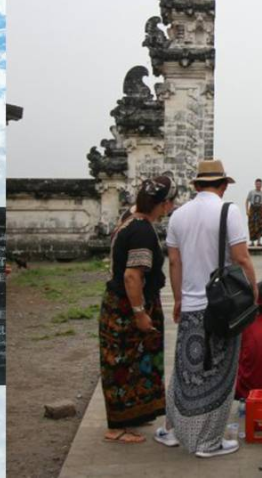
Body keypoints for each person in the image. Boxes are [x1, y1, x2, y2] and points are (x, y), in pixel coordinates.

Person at [155, 159, 256, 457]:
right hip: (221, 307)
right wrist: (252, 294)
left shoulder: (177, 215)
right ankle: (208, 442)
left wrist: (178, 299)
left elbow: (174, 262)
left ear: (197, 185)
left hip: (190, 304)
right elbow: (241, 258)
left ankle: (172, 431)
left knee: (186, 369)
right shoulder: (229, 211)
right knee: (219, 371)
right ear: (223, 184)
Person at [99, 175, 175, 444]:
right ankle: (118, 426)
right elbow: (132, 276)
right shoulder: (141, 230)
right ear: (164, 204)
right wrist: (140, 313)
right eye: (171, 202)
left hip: (119, 303)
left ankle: (133, 415)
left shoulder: (130, 219)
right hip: (127, 307)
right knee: (125, 363)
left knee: (133, 362)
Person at [246, 178, 262, 246]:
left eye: (260, 184)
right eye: (257, 184)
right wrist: (247, 210)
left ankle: (258, 242)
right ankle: (252, 242)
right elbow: (247, 201)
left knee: (260, 226)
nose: (258, 185)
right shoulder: (251, 192)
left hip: (259, 209)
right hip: (252, 208)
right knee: (251, 225)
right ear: (255, 184)